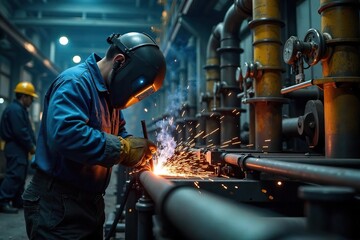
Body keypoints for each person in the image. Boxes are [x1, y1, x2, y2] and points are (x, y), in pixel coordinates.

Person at [22, 32, 166, 239]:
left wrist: (137, 148)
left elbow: (120, 133)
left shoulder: (109, 96)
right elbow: (66, 133)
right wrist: (124, 150)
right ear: (119, 62)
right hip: (57, 204)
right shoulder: (75, 83)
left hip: (89, 202)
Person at [0, 82, 37, 214]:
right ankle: (3, 201)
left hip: (19, 147)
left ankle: (17, 200)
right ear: (24, 96)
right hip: (15, 146)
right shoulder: (15, 110)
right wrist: (31, 146)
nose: (32, 101)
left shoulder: (19, 110)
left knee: (20, 174)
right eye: (31, 98)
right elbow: (20, 132)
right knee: (14, 174)